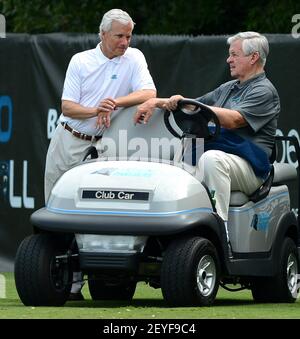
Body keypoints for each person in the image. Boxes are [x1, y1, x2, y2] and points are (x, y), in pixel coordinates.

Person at [44, 9, 156, 300]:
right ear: (103, 34)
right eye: (119, 36)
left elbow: (148, 92)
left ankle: (93, 280)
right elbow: (68, 107)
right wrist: (98, 109)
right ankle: (64, 284)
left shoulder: (135, 57)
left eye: (129, 36)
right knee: (59, 211)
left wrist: (114, 102)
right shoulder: (80, 61)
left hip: (105, 146)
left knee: (95, 212)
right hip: (70, 140)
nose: (125, 42)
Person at [134, 32, 280, 253]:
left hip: (252, 167)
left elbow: (233, 120)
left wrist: (198, 108)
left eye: (234, 54)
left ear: (253, 57)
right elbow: (193, 105)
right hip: (223, 157)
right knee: (173, 169)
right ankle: (162, 236)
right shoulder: (229, 87)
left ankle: (218, 235)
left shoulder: (264, 91)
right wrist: (157, 102)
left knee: (211, 159)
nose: (228, 60)